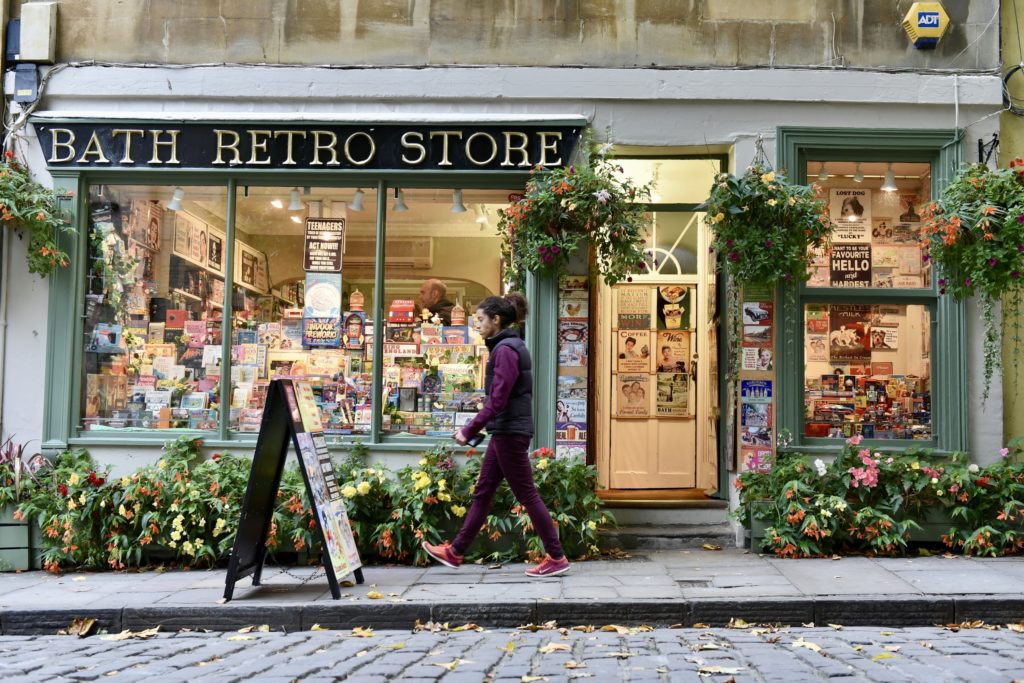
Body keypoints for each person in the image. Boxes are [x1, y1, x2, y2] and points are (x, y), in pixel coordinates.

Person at [422, 293, 569, 578]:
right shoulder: (507, 347)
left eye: (480, 319)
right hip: (506, 429)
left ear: (496, 319)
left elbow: (498, 399)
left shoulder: (505, 350)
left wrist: (469, 429)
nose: (476, 324)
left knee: (526, 493)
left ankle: (557, 556)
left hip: (509, 431)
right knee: (484, 492)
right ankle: (455, 552)